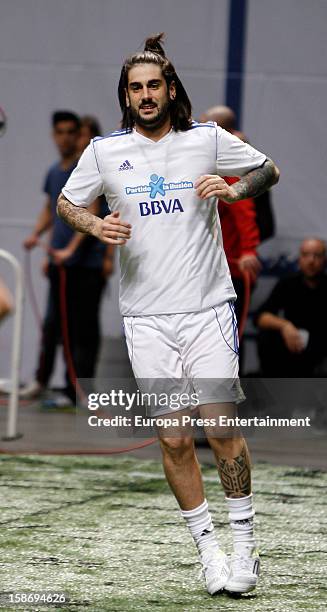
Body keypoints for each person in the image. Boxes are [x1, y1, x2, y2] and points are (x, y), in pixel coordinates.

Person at [57, 34, 279, 596]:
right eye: (135, 88)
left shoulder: (205, 139)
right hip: (145, 317)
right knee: (175, 440)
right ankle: (208, 552)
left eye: (154, 85)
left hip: (207, 307)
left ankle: (244, 545)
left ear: (170, 89)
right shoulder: (106, 151)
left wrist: (233, 191)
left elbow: (267, 170)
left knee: (221, 427)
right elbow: (68, 202)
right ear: (126, 96)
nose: (146, 95)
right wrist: (92, 225)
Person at [21, 111, 106, 402]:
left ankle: (78, 389)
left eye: (77, 132)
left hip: (85, 265)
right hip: (60, 265)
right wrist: (37, 235)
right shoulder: (56, 171)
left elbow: (93, 212)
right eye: (65, 132)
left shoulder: (90, 169)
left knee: (80, 329)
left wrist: (71, 249)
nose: (71, 138)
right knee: (52, 325)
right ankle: (41, 381)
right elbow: (51, 209)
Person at [199, 106, 261, 330]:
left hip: (229, 268)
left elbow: (243, 211)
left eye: (205, 124)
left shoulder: (229, 161)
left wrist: (248, 251)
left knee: (227, 334)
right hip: (206, 264)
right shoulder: (205, 159)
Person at [255, 238, 327, 376]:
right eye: (306, 255)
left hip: (320, 348)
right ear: (299, 258)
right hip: (293, 342)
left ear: (324, 259)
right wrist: (284, 326)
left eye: (317, 255)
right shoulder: (288, 284)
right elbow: (261, 317)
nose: (311, 261)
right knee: (267, 336)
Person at [78, 116, 115, 278]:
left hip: (93, 255)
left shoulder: (101, 167)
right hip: (73, 258)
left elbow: (115, 215)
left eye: (82, 134)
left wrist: (108, 256)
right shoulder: (73, 169)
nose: (77, 139)